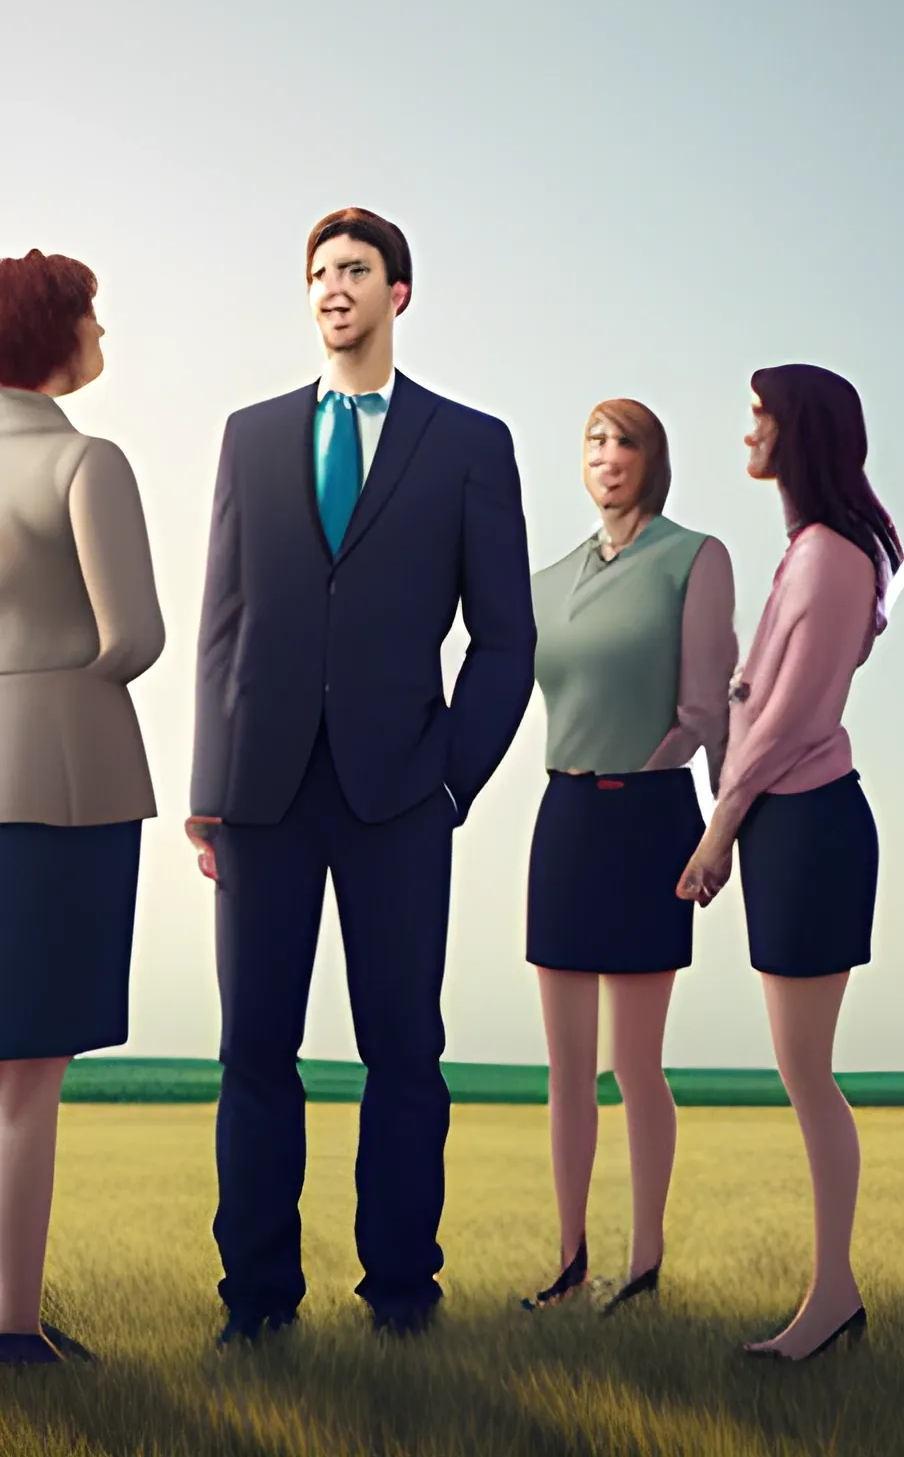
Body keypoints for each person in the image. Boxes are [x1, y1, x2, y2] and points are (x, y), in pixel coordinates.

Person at [185, 209, 535, 1344]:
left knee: (403, 1048)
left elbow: (505, 638)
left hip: (400, 796)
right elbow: (221, 624)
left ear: (401, 292)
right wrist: (206, 782)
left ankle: (399, 1291)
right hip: (261, 795)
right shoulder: (248, 435)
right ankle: (255, 1302)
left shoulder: (470, 441)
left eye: (356, 271)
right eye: (320, 273)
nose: (334, 287)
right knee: (254, 1052)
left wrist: (451, 782)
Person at [678, 362, 899, 1361]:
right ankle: (831, 1291)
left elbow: (789, 720)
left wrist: (719, 822)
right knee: (800, 1068)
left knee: (806, 1072)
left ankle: (833, 1295)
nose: (745, 435)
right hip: (789, 824)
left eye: (759, 418)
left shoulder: (825, 559)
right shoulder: (813, 552)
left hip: (804, 825)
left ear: (798, 432)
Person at [521, 398, 736, 1317]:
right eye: (594, 443)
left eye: (626, 442)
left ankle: (643, 1266)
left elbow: (707, 712)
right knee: (566, 1070)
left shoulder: (695, 559)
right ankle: (569, 1264)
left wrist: (720, 826)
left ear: (655, 460)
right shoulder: (544, 579)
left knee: (633, 1064)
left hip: (647, 814)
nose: (608, 457)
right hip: (564, 814)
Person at [0, 252, 164, 1367]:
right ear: (50, 333)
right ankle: (12, 1323)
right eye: (90, 313)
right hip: (64, 775)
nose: (102, 330)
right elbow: (133, 635)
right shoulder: (83, 460)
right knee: (28, 1074)